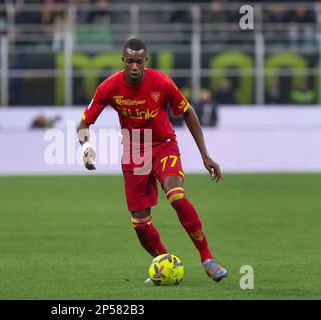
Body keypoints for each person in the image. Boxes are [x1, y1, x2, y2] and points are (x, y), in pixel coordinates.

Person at [76, 38, 227, 283]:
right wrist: (87, 147)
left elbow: (188, 111)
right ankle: (165, 263)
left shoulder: (162, 83)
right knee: (140, 224)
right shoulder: (109, 87)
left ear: (145, 62)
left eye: (138, 62)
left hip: (163, 145)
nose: (134, 66)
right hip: (134, 152)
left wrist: (205, 155)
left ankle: (207, 258)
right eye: (129, 62)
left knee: (176, 194)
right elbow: (83, 123)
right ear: (122, 62)